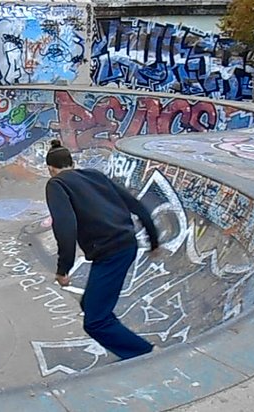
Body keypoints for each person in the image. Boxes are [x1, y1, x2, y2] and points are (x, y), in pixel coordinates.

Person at [45, 139, 159, 360]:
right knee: (89, 304)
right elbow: (134, 204)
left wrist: (63, 269)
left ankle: (146, 354)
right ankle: (127, 343)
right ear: (72, 162)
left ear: (50, 169)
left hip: (110, 252)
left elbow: (65, 226)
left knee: (95, 322)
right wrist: (153, 241)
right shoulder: (94, 175)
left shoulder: (56, 184)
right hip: (127, 243)